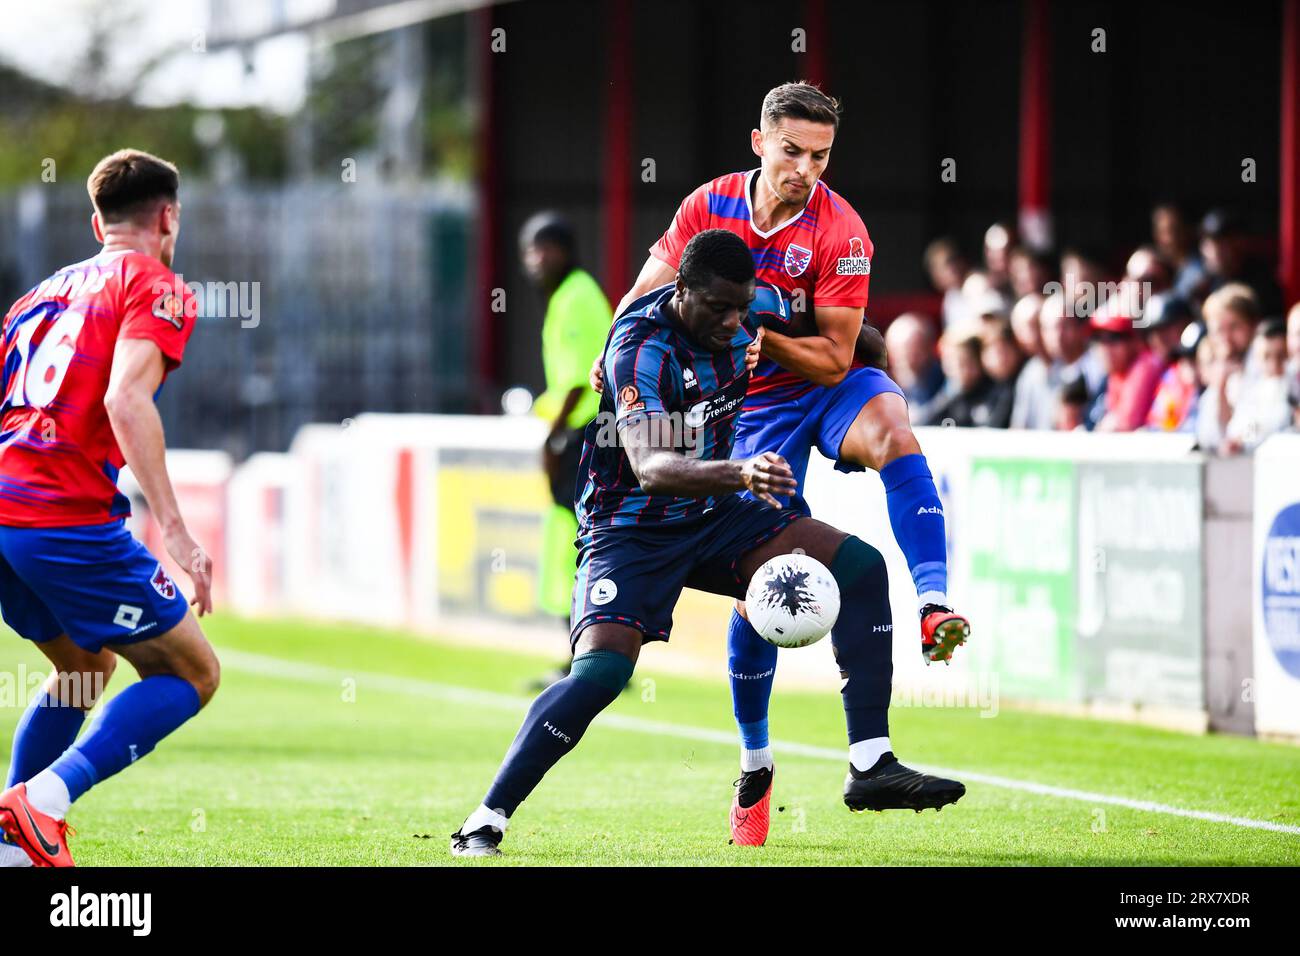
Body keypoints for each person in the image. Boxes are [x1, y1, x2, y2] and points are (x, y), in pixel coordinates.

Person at [450, 231, 965, 857]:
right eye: (718, 309)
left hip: (714, 514)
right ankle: (487, 817)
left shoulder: (750, 306)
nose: (733, 323)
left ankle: (869, 763)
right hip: (630, 527)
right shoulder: (639, 350)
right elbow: (652, 466)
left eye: (741, 309)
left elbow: (860, 341)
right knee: (601, 674)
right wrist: (742, 473)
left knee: (859, 567)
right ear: (681, 290)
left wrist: (863, 357)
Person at [596, 82, 970, 846]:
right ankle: (756, 762)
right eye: (793, 151)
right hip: (745, 406)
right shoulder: (707, 206)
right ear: (760, 142)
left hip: (821, 384)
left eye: (821, 156)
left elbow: (837, 356)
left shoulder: (843, 230)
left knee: (896, 427)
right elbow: (643, 298)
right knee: (763, 583)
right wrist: (615, 366)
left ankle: (932, 605)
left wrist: (765, 340)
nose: (806, 168)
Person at [0, 149, 220, 867]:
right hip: (58, 513)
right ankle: (42, 803)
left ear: (98, 223)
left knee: (83, 670)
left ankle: (9, 839)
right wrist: (179, 535)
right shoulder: (157, 285)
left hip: (7, 515)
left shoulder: (37, 296)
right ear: (168, 216)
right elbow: (125, 399)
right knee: (191, 673)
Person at [518, 213, 612, 685]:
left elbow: (579, 382)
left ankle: (591, 657)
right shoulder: (568, 296)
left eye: (545, 248)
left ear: (566, 249)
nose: (536, 260)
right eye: (530, 251)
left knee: (578, 544)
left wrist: (554, 439)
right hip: (579, 434)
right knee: (568, 541)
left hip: (584, 436)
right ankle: (580, 656)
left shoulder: (576, 296)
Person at [884, 313, 946, 425]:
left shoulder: (946, 380)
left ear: (929, 348)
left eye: (915, 351)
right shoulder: (880, 386)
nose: (907, 358)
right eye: (898, 350)